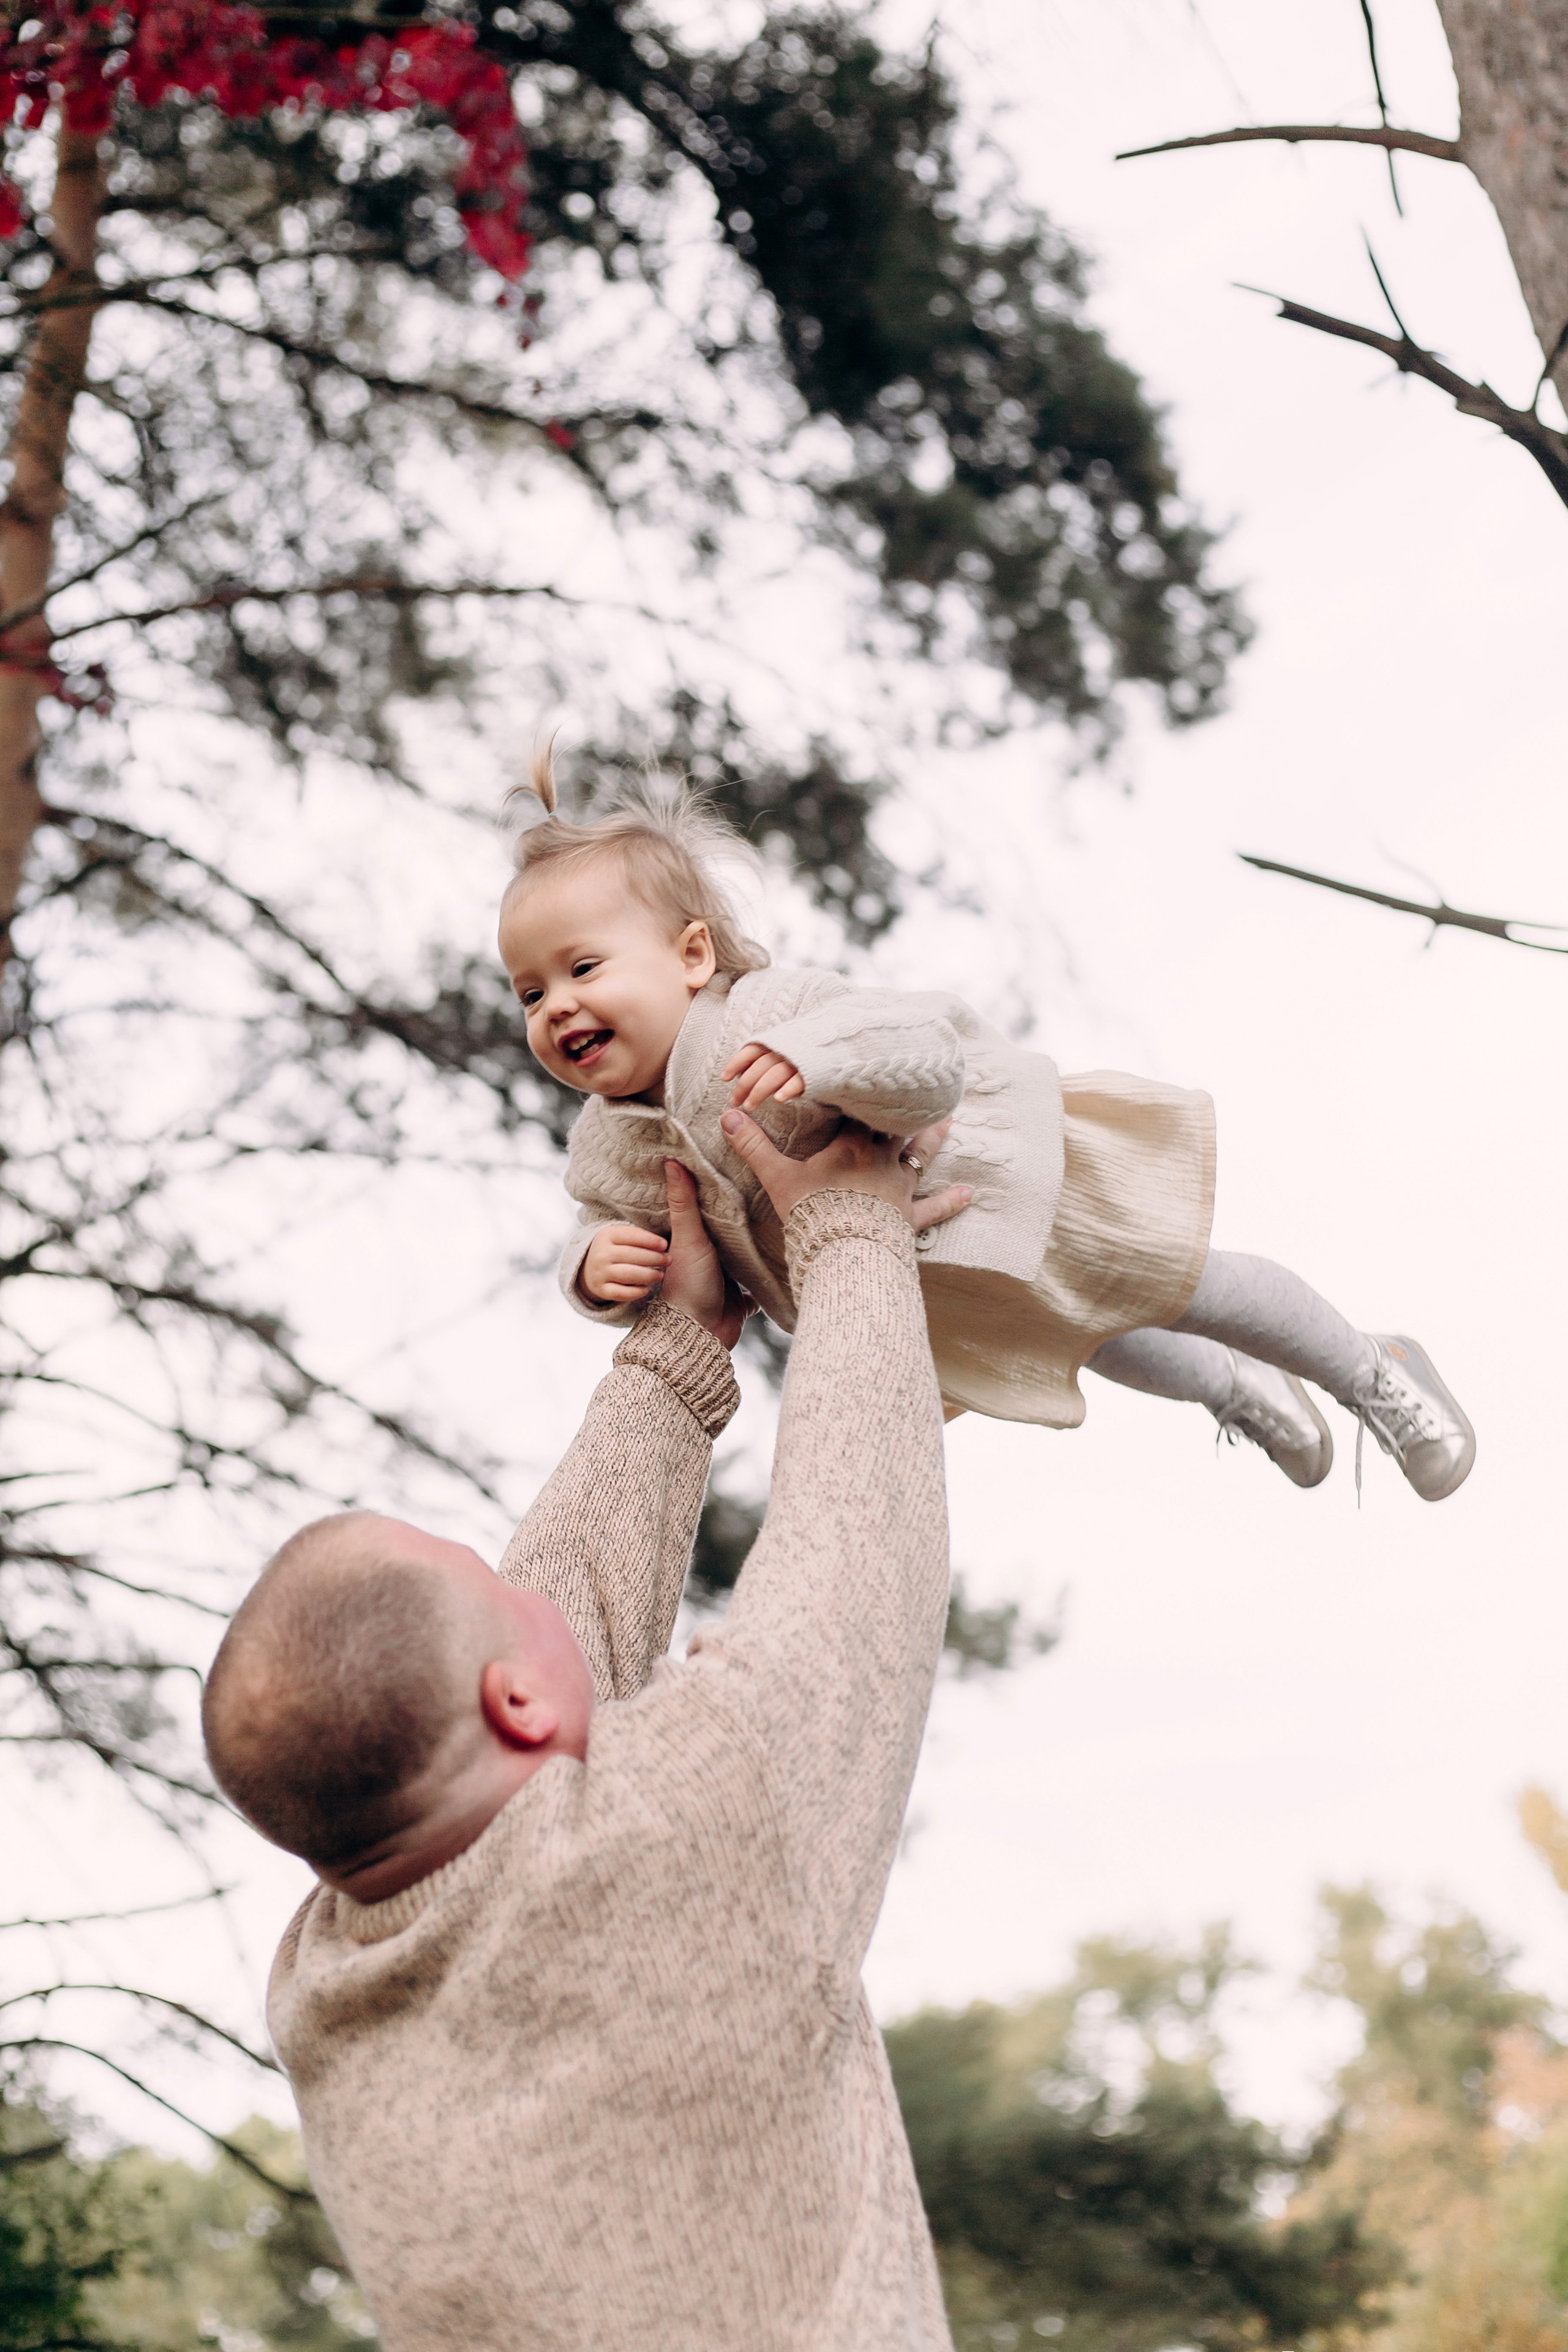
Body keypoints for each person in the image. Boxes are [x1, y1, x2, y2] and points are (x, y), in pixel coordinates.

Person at [203, 1119, 971, 2352]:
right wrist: (849, 1228)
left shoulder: (326, 1987)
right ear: (514, 1702)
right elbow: (850, 1567)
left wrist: (676, 1355)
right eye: (497, 1584)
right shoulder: (677, 1839)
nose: (530, 1580)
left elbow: (538, 1645)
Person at [499, 759, 1475, 1502]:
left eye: (583, 969)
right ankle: (1230, 1389)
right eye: (532, 991)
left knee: (1186, 1282)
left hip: (1004, 1198)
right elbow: (607, 1226)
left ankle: (1369, 1366)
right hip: (920, 1292)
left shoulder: (770, 1009)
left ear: (691, 954)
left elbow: (927, 1052)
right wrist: (593, 1268)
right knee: (1097, 1344)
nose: (556, 1008)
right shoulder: (608, 1144)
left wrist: (824, 1062)